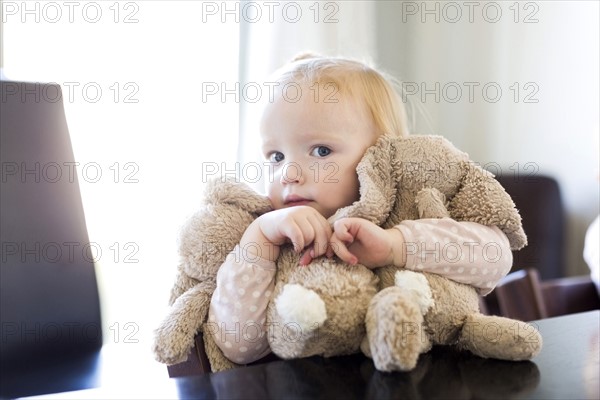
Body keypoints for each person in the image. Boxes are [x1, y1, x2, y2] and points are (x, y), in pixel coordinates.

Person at [207, 55, 513, 365]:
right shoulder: (274, 237)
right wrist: (260, 239)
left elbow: (496, 257)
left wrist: (396, 246)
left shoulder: (407, 213)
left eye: (321, 150)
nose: (288, 173)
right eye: (275, 156)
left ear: (380, 156)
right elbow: (236, 345)